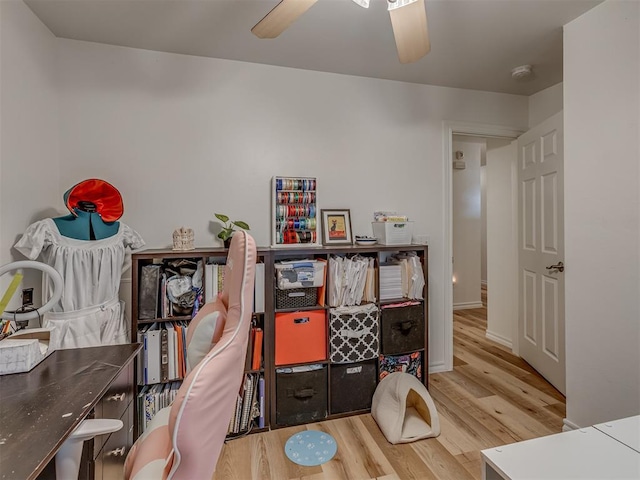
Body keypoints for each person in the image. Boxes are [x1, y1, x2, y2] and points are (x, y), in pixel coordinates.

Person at [14, 179, 145, 349]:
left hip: (109, 319)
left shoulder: (122, 232)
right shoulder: (49, 230)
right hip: (67, 324)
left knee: (113, 371)